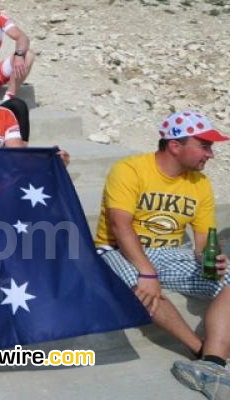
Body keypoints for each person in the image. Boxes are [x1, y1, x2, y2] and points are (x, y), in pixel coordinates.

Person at [93, 111, 230, 398]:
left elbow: (204, 239)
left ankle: (213, 362)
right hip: (117, 248)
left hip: (170, 252)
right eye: (204, 146)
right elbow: (120, 225)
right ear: (175, 146)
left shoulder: (199, 183)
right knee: (140, 286)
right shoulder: (130, 169)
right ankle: (200, 351)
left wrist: (212, 260)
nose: (211, 154)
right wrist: (146, 271)